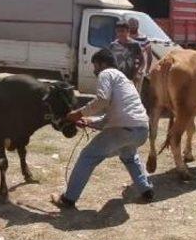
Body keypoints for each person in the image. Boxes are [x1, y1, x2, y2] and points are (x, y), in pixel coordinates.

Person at [50, 49, 154, 208]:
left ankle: (68, 199)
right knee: (129, 155)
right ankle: (146, 190)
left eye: (95, 65)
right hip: (141, 130)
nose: (94, 70)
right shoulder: (125, 81)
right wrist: (88, 121)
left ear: (102, 64)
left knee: (88, 156)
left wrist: (78, 114)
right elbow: (110, 119)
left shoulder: (107, 74)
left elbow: (102, 100)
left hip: (122, 129)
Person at [108, 21, 145, 91]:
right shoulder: (113, 46)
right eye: (118, 31)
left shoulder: (135, 45)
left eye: (122, 31)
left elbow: (142, 61)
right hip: (117, 78)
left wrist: (138, 71)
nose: (120, 34)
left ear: (128, 31)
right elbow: (109, 62)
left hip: (130, 78)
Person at [128, 18, 153, 92]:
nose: (132, 27)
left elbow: (149, 55)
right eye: (131, 25)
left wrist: (147, 70)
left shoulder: (143, 38)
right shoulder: (125, 38)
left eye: (133, 25)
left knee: (136, 91)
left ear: (137, 26)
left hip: (139, 69)